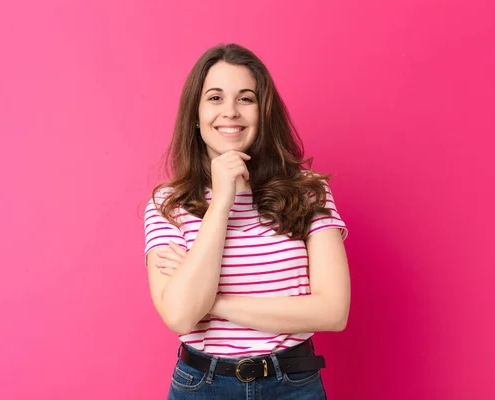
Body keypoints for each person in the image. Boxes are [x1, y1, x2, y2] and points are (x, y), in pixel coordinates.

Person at [143, 43, 350, 400]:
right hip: (202, 386)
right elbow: (179, 316)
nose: (230, 112)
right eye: (215, 98)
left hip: (293, 385)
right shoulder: (167, 204)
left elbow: (333, 311)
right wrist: (221, 201)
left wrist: (215, 303)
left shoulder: (308, 192)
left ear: (262, 111)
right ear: (195, 113)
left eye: (245, 98)